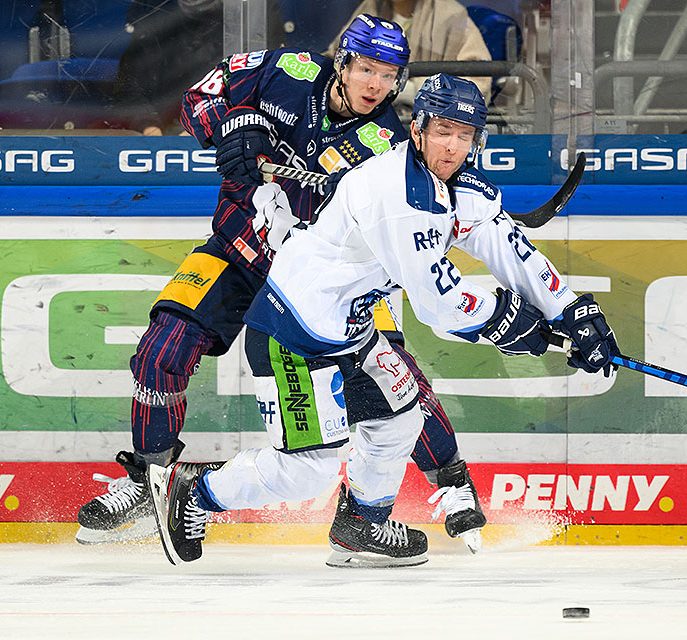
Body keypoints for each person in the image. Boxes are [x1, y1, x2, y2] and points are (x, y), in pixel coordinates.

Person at [148, 73, 619, 568]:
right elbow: (438, 305)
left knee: (401, 418)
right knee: (307, 470)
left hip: (350, 330)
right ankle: (194, 492)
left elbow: (506, 245)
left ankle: (361, 524)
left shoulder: (460, 184)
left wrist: (571, 309)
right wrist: (512, 322)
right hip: (294, 331)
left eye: (465, 134)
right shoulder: (397, 196)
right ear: (417, 130)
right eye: (443, 131)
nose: (453, 146)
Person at [77, 14, 487, 553]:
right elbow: (201, 96)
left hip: (323, 287)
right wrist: (230, 128)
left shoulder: (389, 147)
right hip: (238, 252)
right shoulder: (284, 71)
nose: (375, 86)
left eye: (388, 76)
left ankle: (450, 483)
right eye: (366, 69)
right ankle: (147, 483)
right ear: (342, 61)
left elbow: (426, 201)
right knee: (162, 350)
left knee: (396, 379)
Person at [111, 0, 284, 135]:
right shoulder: (150, 12)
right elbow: (129, 88)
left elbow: (266, 85)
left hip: (230, 141)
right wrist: (148, 127)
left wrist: (207, 127)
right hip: (166, 136)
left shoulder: (253, 11)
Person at [327, 0, 492, 111]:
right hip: (366, 116)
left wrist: (416, 91)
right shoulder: (370, 6)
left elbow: (478, 84)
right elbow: (334, 58)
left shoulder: (451, 14)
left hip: (425, 125)